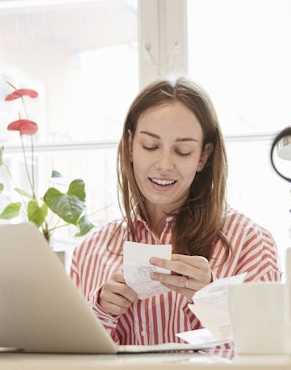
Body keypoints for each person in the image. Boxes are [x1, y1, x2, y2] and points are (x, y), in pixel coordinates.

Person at [69, 76, 279, 346]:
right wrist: (100, 311)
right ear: (131, 146)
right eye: (150, 146)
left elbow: (267, 349)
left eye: (182, 151)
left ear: (203, 157)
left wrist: (213, 298)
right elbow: (68, 356)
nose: (164, 164)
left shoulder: (250, 242)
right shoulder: (90, 251)